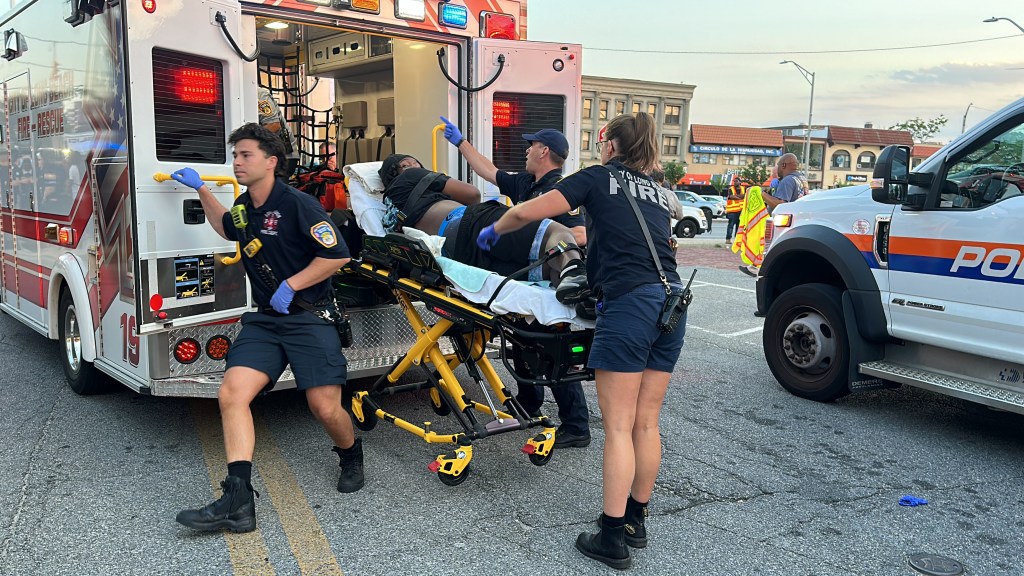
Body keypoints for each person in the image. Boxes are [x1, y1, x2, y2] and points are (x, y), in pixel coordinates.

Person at [478, 112, 686, 570]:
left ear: (609, 144)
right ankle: (636, 520)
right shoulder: (654, 190)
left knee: (616, 426)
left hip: (629, 305)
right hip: (671, 304)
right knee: (646, 423)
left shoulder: (595, 177)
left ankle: (610, 536)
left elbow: (526, 211)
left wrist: (495, 228)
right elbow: (642, 237)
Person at [172, 123, 364, 533]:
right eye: (235, 155)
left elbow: (336, 255)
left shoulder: (298, 205)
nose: (237, 162)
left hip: (309, 316)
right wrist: (201, 190)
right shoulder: (244, 205)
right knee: (232, 394)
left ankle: (350, 453)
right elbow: (227, 226)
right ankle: (238, 499)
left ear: (271, 161)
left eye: (245, 155)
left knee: (324, 407)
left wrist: (290, 285)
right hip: (266, 321)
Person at [439, 118, 591, 448]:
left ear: (544, 151)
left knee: (551, 352)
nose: (526, 149)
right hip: (524, 282)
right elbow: (489, 171)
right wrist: (460, 142)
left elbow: (577, 234)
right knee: (523, 342)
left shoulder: (561, 190)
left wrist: (534, 234)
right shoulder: (526, 183)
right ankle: (529, 404)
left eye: (531, 144)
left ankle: (577, 426)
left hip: (550, 286)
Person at [377, 153, 590, 305]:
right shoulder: (410, 177)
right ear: (398, 171)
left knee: (546, 268)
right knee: (557, 232)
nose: (416, 166)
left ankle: (577, 296)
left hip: (458, 254)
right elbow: (472, 194)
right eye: (410, 163)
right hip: (468, 223)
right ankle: (580, 277)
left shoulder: (392, 212)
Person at [740, 154, 803, 276]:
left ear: (784, 165)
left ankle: (761, 270)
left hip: (783, 223)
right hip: (796, 222)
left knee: (769, 247)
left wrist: (761, 193)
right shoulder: (801, 179)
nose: (778, 168)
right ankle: (757, 267)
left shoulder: (788, 180)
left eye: (778, 165)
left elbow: (781, 204)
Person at [258, 87, 299, 177]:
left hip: (282, 157)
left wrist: (251, 142)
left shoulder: (259, 94)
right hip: (268, 156)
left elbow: (273, 125)